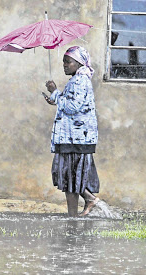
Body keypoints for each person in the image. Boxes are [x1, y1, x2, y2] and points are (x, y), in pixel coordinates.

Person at [44, 46, 100, 217]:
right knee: (70, 178)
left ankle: (76, 214)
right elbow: (71, 103)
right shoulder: (77, 80)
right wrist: (57, 99)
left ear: (79, 63)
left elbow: (72, 107)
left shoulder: (80, 81)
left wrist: (54, 93)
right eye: (63, 62)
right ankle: (81, 208)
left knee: (70, 178)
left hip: (76, 138)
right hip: (73, 137)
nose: (64, 65)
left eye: (68, 62)